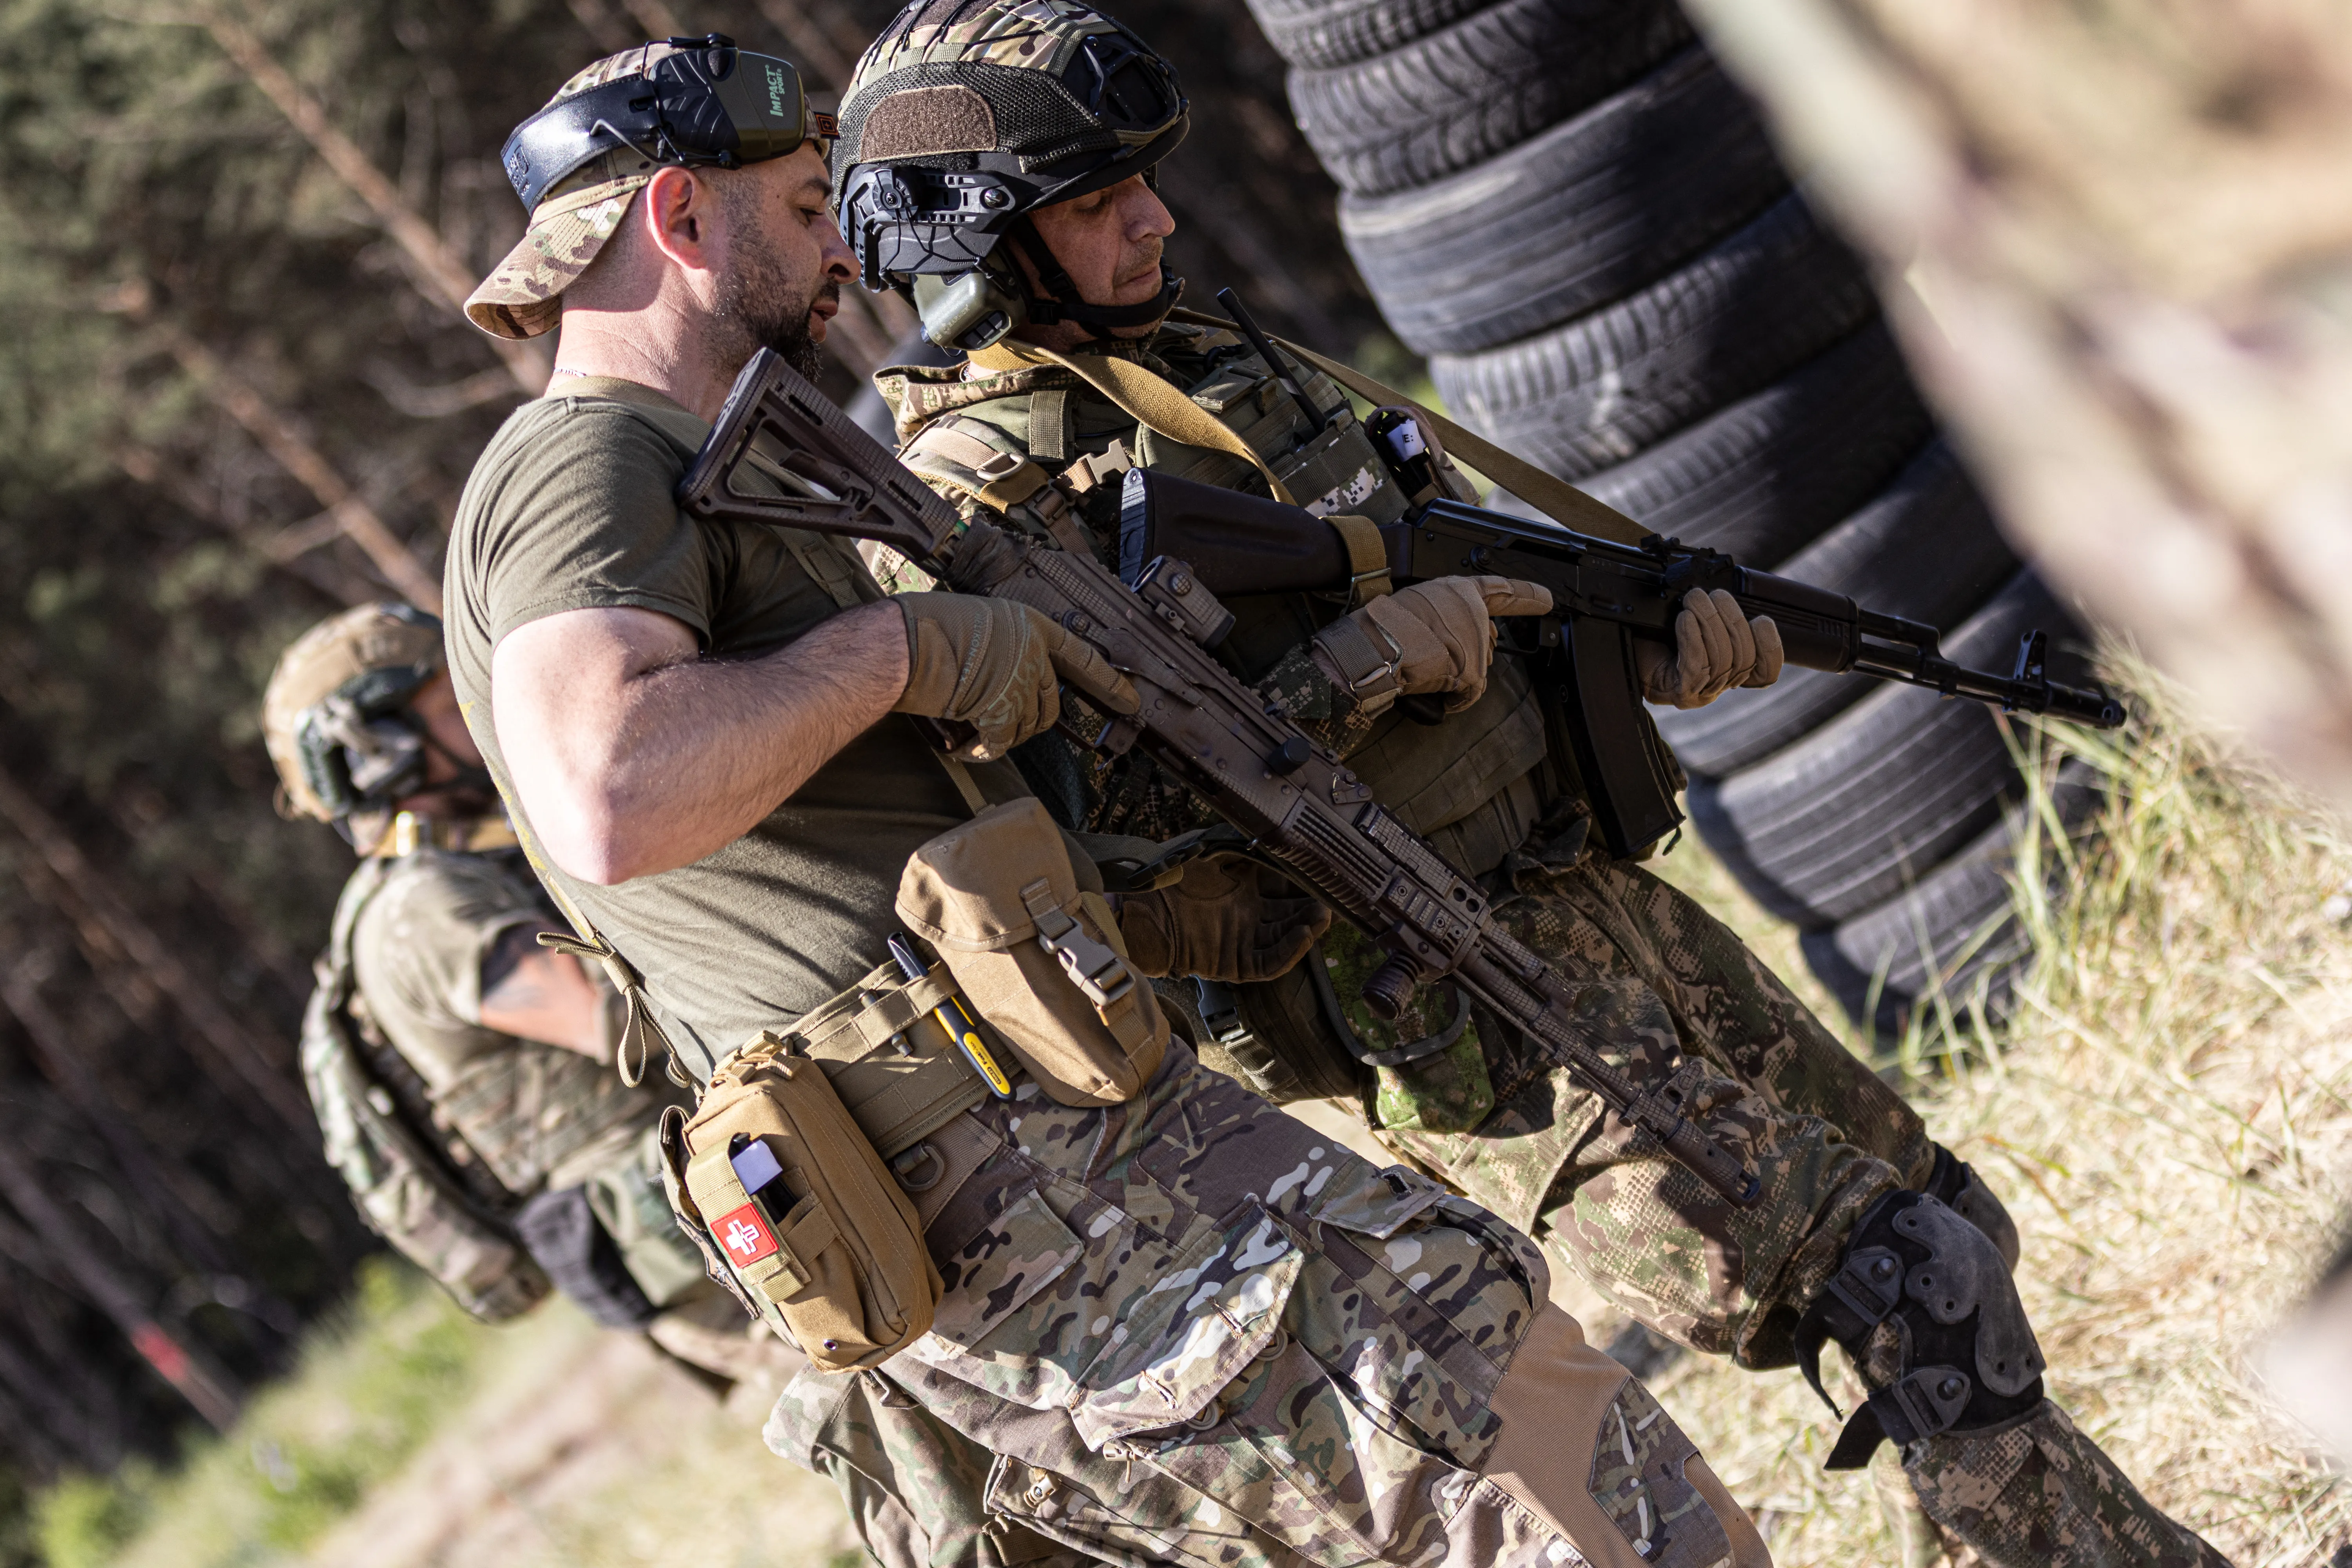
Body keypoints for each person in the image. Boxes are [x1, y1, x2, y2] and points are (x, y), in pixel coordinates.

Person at [828, 5, 2229, 1564]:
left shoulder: (1217, 368)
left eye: (1145, 180)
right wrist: (1359, 670)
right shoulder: (977, 516)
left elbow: (1470, 587)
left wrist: (1636, 646)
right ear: (977, 247)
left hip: (1583, 899)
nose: (1155, 218)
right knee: (1912, 1283)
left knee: (1948, 1228)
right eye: (1098, 202)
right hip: (1454, 1008)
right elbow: (1099, 873)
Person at [446, 34, 1771, 1568]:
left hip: (1040, 1133)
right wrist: (901, 649)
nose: (840, 256)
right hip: (1012, 1166)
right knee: (1544, 1465)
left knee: (1516, 1418)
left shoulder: (708, 462)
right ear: (680, 216)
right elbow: (606, 791)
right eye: (806, 211)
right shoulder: (587, 456)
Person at [264, 603, 789, 1387]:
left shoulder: (462, 870)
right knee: (893, 1404)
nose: (486, 714)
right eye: (452, 706)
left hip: (700, 1197)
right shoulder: (421, 909)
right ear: (381, 752)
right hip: (692, 1225)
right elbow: (620, 1021)